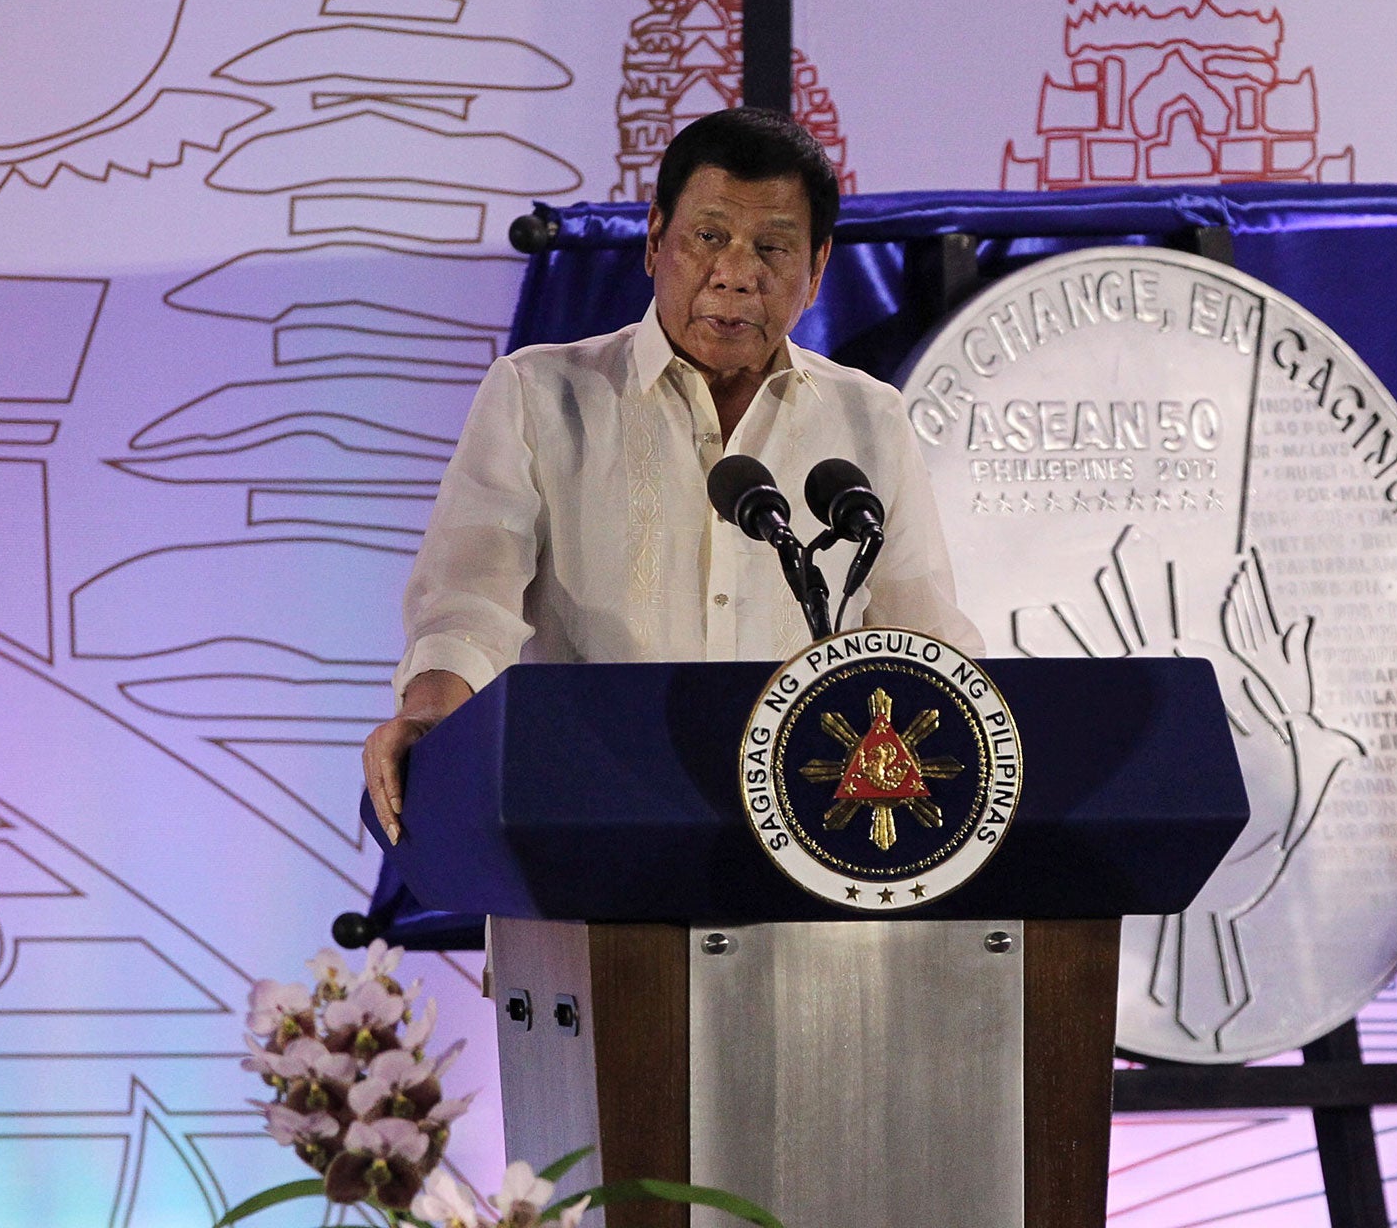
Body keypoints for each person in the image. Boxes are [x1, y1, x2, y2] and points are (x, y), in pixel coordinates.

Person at [363, 107, 983, 841]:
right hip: (588, 829)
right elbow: (467, 606)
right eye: (710, 237)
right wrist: (432, 716)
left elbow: (926, 644)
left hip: (812, 843)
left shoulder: (867, 418)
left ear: (817, 270)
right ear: (656, 240)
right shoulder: (541, 394)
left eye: (773, 248)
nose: (735, 275)